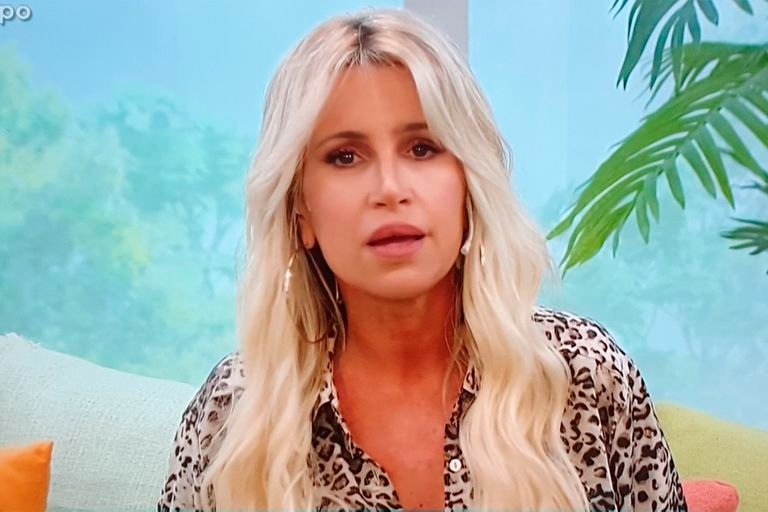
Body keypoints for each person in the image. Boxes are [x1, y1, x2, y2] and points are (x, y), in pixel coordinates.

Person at [157, 6, 688, 512]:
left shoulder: (583, 374)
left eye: (422, 148)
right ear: (302, 211)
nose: (390, 189)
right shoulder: (234, 412)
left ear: (469, 185)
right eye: (345, 156)